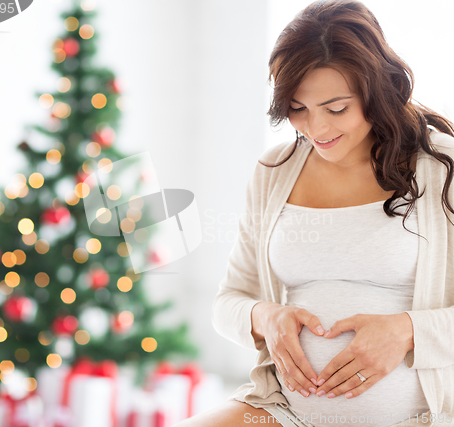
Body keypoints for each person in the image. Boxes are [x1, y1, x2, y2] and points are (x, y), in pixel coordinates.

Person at [173, 0, 454, 426]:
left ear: (377, 89)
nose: (316, 129)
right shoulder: (275, 172)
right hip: (283, 412)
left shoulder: (440, 167)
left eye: (336, 109)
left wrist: (408, 331)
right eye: (298, 109)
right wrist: (265, 317)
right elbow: (228, 302)